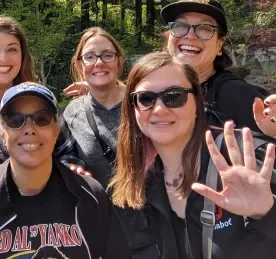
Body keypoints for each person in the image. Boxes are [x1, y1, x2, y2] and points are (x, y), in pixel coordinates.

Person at [0, 82, 131, 259]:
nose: (29, 128)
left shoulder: (89, 195)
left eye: (42, 118)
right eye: (15, 120)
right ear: (2, 133)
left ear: (56, 131)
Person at [109, 52, 276, 258]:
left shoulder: (243, 156)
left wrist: (267, 213)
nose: (159, 109)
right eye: (146, 98)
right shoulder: (146, 178)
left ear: (197, 102)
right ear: (132, 109)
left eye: (174, 96)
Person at [0, 13, 86, 180]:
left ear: (22, 55)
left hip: (43, 203)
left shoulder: (41, 101)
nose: (4, 58)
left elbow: (67, 151)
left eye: (12, 49)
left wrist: (70, 170)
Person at [161, 0, 276, 135]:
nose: (190, 36)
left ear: (219, 45)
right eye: (180, 25)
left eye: (204, 28)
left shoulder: (239, 96)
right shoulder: (151, 92)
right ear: (168, 38)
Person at [63, 27, 126, 188]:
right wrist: (72, 167)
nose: (99, 63)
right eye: (90, 57)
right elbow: (66, 155)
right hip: (98, 210)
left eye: (107, 55)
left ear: (118, 62)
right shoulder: (73, 112)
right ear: (79, 66)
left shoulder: (142, 102)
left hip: (148, 210)